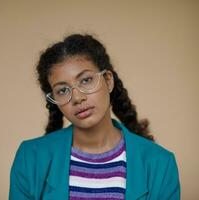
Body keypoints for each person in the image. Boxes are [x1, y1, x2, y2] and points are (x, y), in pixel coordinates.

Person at [9, 33, 180, 200]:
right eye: (62, 90)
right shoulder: (30, 157)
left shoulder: (161, 163)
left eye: (86, 80)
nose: (77, 98)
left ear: (108, 80)